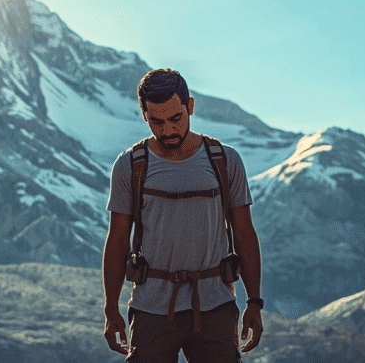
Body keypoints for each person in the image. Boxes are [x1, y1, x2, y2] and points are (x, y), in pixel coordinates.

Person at [102, 68, 263, 362]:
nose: (167, 130)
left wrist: (254, 301)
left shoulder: (225, 160)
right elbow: (117, 239)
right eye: (157, 122)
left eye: (175, 119)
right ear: (144, 116)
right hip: (151, 308)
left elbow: (244, 232)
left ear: (190, 106)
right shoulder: (130, 166)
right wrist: (111, 309)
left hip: (216, 306)